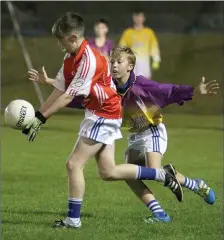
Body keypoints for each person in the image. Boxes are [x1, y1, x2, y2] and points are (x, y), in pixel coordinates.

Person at [24, 12, 183, 228]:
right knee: (109, 172)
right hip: (100, 113)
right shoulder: (70, 59)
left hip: (103, 113)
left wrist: (41, 118)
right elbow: (58, 90)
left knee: (73, 164)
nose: (59, 45)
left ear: (72, 38)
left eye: (60, 40)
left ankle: (73, 220)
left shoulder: (88, 59)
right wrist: (36, 116)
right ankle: (161, 177)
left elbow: (69, 96)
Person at [110, 46, 217, 223]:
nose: (114, 65)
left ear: (130, 66)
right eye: (112, 61)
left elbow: (169, 90)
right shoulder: (110, 87)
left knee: (154, 171)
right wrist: (55, 84)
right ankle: (161, 213)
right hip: (135, 136)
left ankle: (193, 187)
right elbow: (84, 94)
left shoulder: (142, 84)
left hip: (152, 130)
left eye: (119, 62)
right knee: (129, 175)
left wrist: (194, 92)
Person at [119, 10, 160, 79]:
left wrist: (156, 60)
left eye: (140, 16)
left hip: (145, 66)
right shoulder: (127, 33)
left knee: (146, 86)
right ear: (133, 18)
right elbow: (122, 48)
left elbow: (154, 46)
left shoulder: (149, 32)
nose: (138, 19)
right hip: (132, 66)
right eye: (136, 17)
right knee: (133, 87)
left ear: (144, 18)